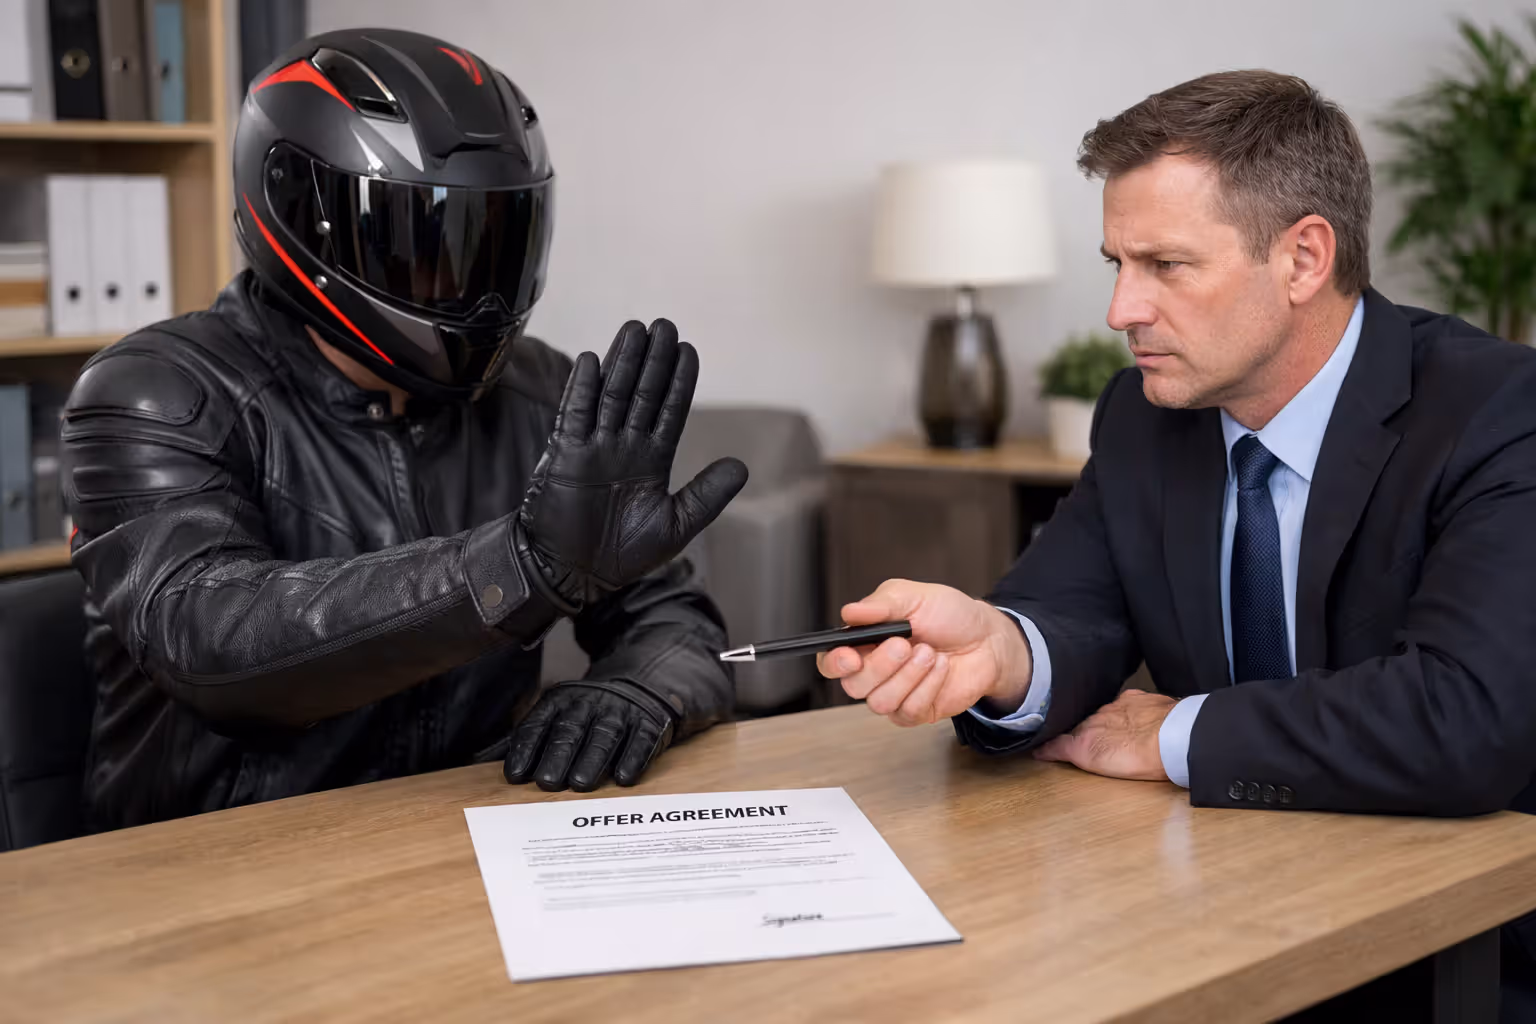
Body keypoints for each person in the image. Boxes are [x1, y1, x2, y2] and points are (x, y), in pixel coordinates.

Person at [817, 70, 1536, 1017]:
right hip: (1224, 913)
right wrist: (1001, 651)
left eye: (1167, 266)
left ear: (1304, 258)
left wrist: (1174, 732)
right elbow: (1073, 608)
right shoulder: (1146, 416)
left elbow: (1464, 718)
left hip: (1460, 949)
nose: (1122, 311)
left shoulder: (1497, 411)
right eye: (1116, 264)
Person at [59, 28, 747, 833]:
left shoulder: (542, 393)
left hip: (458, 844)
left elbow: (672, 616)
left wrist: (639, 687)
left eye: (492, 244)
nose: (473, 292)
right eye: (425, 247)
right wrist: (518, 567)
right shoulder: (154, 395)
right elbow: (213, 646)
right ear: (297, 213)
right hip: (215, 865)